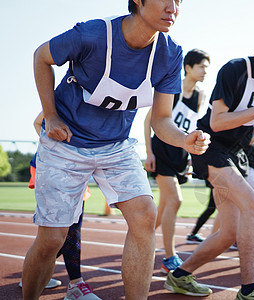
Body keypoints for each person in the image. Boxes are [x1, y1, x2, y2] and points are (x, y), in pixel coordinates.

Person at [23, 1, 210, 299]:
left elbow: (161, 120)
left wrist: (184, 138)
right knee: (52, 239)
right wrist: (51, 114)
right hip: (66, 144)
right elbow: (41, 56)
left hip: (116, 147)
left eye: (179, 0)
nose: (172, 7)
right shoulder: (93, 34)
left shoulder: (170, 54)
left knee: (145, 215)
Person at [164, 26, 254, 299]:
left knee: (229, 232)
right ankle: (249, 290)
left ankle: (180, 276)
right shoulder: (235, 70)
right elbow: (217, 121)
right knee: (253, 202)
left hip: (238, 151)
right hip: (210, 146)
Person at [144, 49, 210, 273]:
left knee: (165, 206)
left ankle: (141, 239)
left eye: (207, 67)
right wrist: (149, 152)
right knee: (175, 200)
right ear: (188, 67)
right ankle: (170, 257)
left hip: (180, 153)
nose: (205, 71)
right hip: (162, 149)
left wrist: (191, 158)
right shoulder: (172, 88)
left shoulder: (200, 95)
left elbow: (192, 126)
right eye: (201, 66)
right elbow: (149, 120)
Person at [21, 112, 100, 300]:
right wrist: (53, 147)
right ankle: (75, 284)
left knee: (63, 231)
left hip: (79, 165)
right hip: (56, 165)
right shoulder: (71, 91)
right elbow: (39, 122)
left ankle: (34, 272)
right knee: (65, 229)